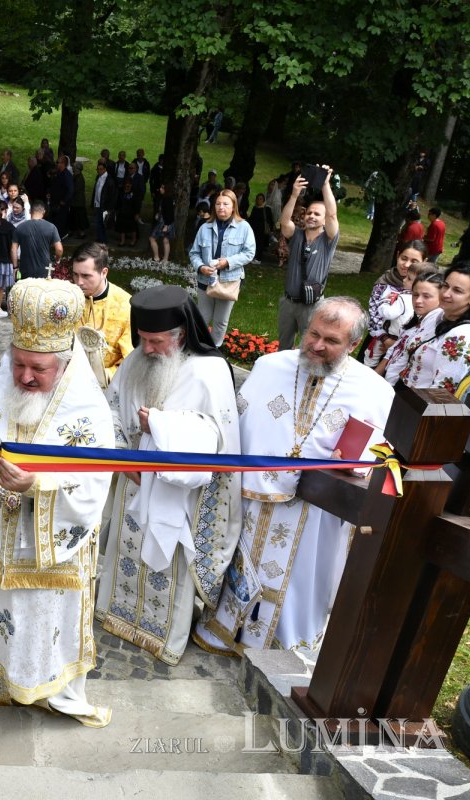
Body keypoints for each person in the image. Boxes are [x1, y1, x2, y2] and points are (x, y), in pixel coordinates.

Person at [0, 278, 116, 727]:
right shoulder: (1, 378)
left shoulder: (87, 407)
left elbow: (95, 479)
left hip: (46, 554)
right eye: (18, 364)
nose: (23, 377)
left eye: (38, 369)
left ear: (64, 361)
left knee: (39, 623)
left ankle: (47, 692)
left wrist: (37, 484)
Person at [196, 297, 393, 659]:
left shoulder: (374, 390)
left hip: (314, 510)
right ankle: (227, 628)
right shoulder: (270, 366)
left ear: (352, 345)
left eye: (331, 341)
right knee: (244, 563)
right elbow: (239, 421)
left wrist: (355, 462)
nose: (317, 346)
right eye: (313, 334)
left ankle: (285, 641)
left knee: (300, 575)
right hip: (256, 495)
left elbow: (380, 449)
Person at [96, 285, 241, 664]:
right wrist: (125, 459)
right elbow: (109, 410)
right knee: (124, 551)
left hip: (180, 496)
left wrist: (161, 426)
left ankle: (165, 637)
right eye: (142, 339)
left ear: (180, 335)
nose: (148, 349)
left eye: (157, 341)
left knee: (170, 564)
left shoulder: (208, 371)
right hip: (132, 482)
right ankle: (117, 614)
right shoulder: (135, 362)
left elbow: (218, 438)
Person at [385, 262, 470, 391]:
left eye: (457, 290)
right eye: (445, 286)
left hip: (419, 405)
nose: (446, 294)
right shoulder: (437, 314)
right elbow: (405, 351)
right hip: (400, 391)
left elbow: (443, 392)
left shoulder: (466, 337)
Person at [277, 164, 340, 349]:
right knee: (283, 347)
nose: (312, 216)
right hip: (288, 302)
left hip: (312, 306)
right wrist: (295, 194)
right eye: (309, 213)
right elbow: (284, 221)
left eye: (317, 214)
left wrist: (325, 185)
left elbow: (333, 214)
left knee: (309, 348)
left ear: (324, 219)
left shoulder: (328, 239)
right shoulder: (296, 235)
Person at [190, 188, 256, 347]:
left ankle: (214, 349)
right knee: (202, 318)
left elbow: (249, 253)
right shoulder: (205, 227)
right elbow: (194, 253)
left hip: (229, 281)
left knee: (220, 321)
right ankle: (198, 347)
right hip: (205, 280)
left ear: (233, 206)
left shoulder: (244, 227)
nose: (221, 207)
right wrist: (201, 267)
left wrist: (227, 262)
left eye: (226, 204)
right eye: (218, 204)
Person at [69, 242, 133, 375]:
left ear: (104, 272)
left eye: (86, 276)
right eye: (75, 274)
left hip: (107, 384)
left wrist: (103, 377)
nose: (79, 282)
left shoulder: (126, 305)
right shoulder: (68, 298)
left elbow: (130, 359)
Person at [361, 242, 425, 367]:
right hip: (378, 339)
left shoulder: (427, 288)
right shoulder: (384, 283)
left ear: (424, 261)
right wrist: (385, 339)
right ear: (397, 256)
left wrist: (399, 344)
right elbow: (374, 314)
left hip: (404, 347)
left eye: (414, 261)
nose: (406, 265)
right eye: (404, 258)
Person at [378, 272, 444, 384]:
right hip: (389, 379)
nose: (418, 300)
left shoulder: (437, 323)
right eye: (415, 294)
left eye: (426, 296)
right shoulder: (416, 318)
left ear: (442, 297)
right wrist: (377, 373)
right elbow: (396, 348)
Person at [11, 200, 62, 280]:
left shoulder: (20, 228)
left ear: (30, 211)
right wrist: (57, 260)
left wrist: (15, 267)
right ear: (44, 211)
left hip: (26, 269)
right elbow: (59, 249)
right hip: (45, 270)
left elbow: (13, 250)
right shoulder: (51, 227)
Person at [148, 185, 176, 263]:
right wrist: (158, 214)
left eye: (162, 188)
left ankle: (157, 257)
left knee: (152, 238)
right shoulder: (167, 199)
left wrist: (166, 225)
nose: (160, 189)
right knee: (165, 240)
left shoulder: (167, 200)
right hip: (166, 222)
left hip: (164, 223)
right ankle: (165, 259)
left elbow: (169, 213)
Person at [92, 160, 115, 243]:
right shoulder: (98, 177)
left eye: (100, 169)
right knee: (99, 223)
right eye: (97, 169)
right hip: (98, 204)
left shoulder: (109, 180)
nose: (98, 171)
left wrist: (109, 208)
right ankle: (100, 238)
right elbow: (96, 191)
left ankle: (102, 240)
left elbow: (112, 195)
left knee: (102, 223)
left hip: (104, 205)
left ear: (105, 169)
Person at [247, 193, 274, 262]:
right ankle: (254, 257)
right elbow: (251, 219)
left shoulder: (267, 209)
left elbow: (270, 220)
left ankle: (258, 258)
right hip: (254, 229)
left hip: (262, 230)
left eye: (261, 199)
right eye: (258, 199)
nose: (259, 200)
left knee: (260, 244)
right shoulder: (255, 208)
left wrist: (271, 229)